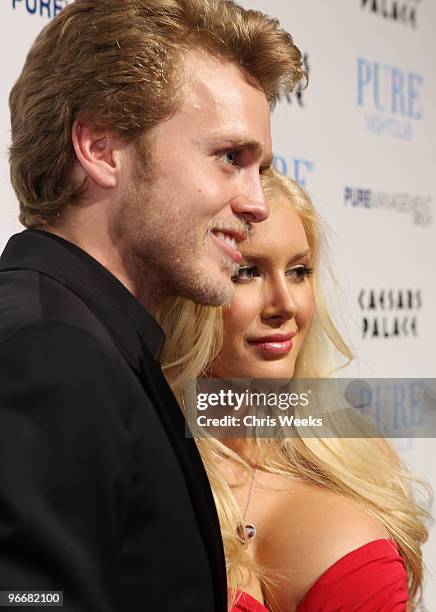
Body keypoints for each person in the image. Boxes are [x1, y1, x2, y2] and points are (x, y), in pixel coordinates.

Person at [0, 2, 305, 610]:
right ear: (101, 147)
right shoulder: (54, 352)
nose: (257, 203)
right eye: (229, 158)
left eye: (260, 168)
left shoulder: (89, 337)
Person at [158, 169, 430, 611]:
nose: (285, 303)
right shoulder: (147, 467)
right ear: (187, 292)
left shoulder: (354, 451)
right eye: (247, 272)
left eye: (299, 271)